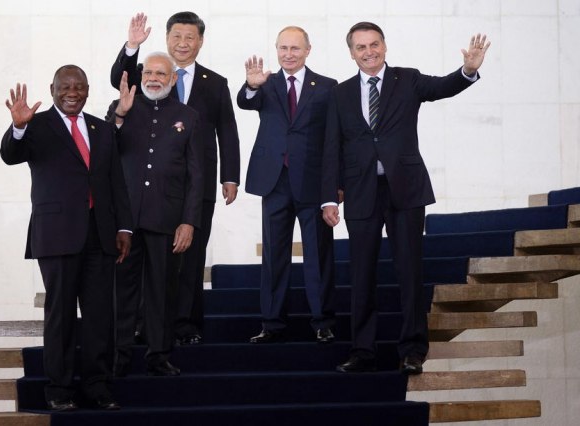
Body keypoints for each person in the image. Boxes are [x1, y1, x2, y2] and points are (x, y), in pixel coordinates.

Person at [322, 22, 490, 374]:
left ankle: (413, 349)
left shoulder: (408, 79)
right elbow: (332, 146)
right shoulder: (340, 93)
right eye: (361, 47)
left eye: (374, 44)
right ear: (351, 53)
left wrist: (468, 70)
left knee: (410, 271)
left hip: (406, 189)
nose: (369, 52)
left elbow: (443, 86)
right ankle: (362, 350)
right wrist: (329, 197)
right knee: (361, 274)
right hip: (361, 191)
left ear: (384, 46)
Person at [0, 65, 132, 410]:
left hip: (100, 234)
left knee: (100, 315)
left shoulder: (101, 128)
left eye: (79, 87)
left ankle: (97, 387)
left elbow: (115, 181)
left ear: (87, 90)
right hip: (56, 235)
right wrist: (18, 126)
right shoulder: (36, 125)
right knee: (60, 314)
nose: (72, 93)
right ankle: (59, 389)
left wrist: (124, 228)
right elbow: (10, 156)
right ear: (53, 89)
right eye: (65, 87)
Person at [110, 12, 241, 347]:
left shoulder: (215, 83)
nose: (183, 43)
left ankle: (186, 324)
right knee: (148, 261)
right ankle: (144, 325)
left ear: (200, 41)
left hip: (197, 184)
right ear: (167, 38)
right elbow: (117, 80)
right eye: (177, 36)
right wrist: (132, 46)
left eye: (190, 37)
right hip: (152, 189)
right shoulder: (147, 74)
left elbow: (227, 130)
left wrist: (230, 176)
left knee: (191, 257)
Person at [238, 26, 337, 344]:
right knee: (274, 255)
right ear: (276, 50)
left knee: (318, 255)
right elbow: (245, 102)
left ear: (308, 50)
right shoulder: (265, 83)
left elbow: (335, 140)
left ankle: (322, 322)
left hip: (313, 183)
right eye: (283, 48)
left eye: (295, 48)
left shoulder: (327, 87)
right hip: (275, 181)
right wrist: (251, 86)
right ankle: (272, 324)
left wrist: (335, 186)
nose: (289, 54)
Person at [108, 52, 203, 377]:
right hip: (125, 221)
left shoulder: (188, 116)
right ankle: (118, 355)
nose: (153, 78)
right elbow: (104, 151)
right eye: (148, 72)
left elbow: (196, 175)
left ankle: (159, 354)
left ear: (173, 79)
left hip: (167, 218)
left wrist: (188, 221)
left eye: (161, 74)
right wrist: (119, 115)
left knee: (162, 290)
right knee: (122, 290)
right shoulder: (122, 107)